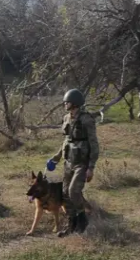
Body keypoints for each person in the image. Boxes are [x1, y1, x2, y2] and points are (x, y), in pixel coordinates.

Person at [46, 88, 100, 237]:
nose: (65, 104)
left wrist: (91, 167)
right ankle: (72, 224)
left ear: (75, 103)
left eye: (67, 102)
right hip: (68, 161)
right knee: (65, 194)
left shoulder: (86, 119)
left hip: (81, 163)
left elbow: (94, 144)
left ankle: (83, 220)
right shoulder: (66, 118)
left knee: (74, 191)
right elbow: (67, 140)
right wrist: (55, 158)